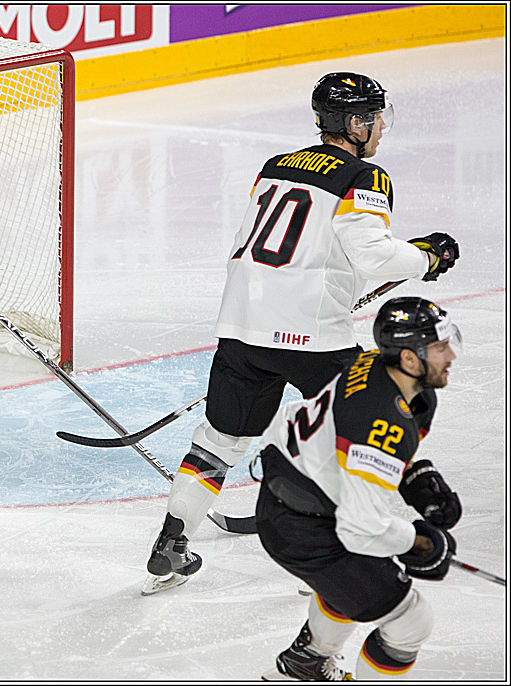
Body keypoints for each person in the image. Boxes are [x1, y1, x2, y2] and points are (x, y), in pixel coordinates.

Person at [143, 72, 461, 595]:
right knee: (358, 434)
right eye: (376, 116)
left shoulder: (275, 167)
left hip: (242, 327)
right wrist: (426, 257)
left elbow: (299, 246)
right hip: (315, 336)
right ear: (356, 123)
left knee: (219, 441)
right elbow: (372, 254)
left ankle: (172, 539)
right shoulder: (366, 176)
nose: (381, 127)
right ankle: (338, 553)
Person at [257, 297, 462, 680]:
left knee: (357, 584)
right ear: (408, 358)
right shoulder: (382, 420)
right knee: (411, 620)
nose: (450, 354)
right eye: (438, 347)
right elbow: (361, 527)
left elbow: (352, 442)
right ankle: (311, 657)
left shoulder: (376, 366)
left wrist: (412, 476)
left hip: (299, 494)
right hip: (303, 526)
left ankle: (308, 660)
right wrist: (419, 543)